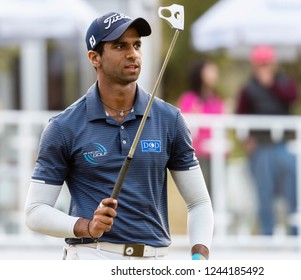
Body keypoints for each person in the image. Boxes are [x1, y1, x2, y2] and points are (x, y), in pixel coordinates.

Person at [24, 11, 214, 260]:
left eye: (136, 45)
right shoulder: (64, 126)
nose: (133, 53)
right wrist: (86, 226)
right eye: (120, 46)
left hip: (153, 261)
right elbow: (35, 212)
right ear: (94, 58)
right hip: (92, 256)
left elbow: (199, 202)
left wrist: (199, 257)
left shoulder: (170, 119)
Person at [235, 45, 298, 236]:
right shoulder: (248, 89)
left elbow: (293, 97)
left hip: (283, 146)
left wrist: (272, 84)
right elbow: (239, 115)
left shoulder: (284, 83)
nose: (265, 67)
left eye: (267, 63)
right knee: (264, 193)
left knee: (293, 191)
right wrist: (246, 140)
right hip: (261, 148)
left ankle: (296, 232)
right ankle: (267, 234)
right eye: (261, 63)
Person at [177, 60, 225, 195]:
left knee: (216, 193)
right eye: (210, 71)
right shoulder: (189, 99)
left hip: (215, 153)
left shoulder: (216, 100)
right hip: (197, 154)